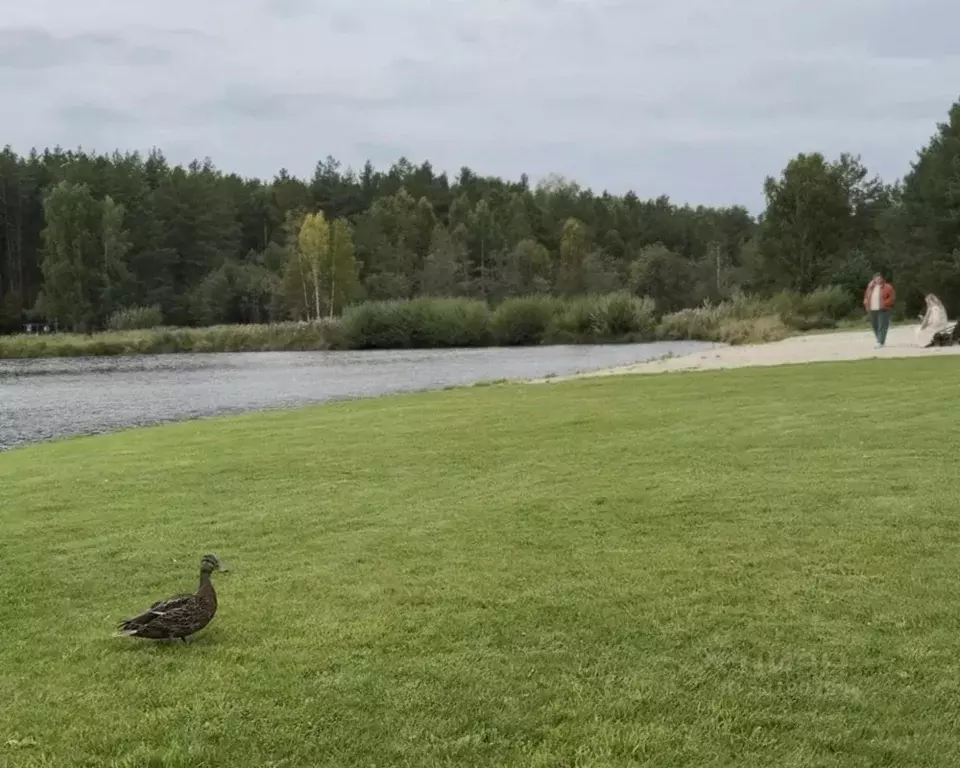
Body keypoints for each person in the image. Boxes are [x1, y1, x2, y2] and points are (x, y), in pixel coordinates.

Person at [863, 273, 895, 348]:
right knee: (875, 325)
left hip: (883, 309)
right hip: (872, 309)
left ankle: (880, 342)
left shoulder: (888, 287)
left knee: (882, 325)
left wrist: (885, 303)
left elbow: (892, 297)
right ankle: (880, 340)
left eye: (880, 278)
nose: (878, 280)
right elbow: (866, 297)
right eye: (876, 278)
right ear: (873, 279)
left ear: (882, 279)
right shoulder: (870, 287)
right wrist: (866, 304)